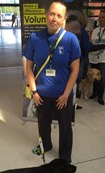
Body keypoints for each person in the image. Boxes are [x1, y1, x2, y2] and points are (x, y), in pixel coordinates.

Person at [24, 1, 81, 163]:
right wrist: (34, 91)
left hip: (62, 95)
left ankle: (65, 157)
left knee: (65, 127)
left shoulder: (70, 40)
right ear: (46, 14)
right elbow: (29, 67)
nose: (54, 18)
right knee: (43, 124)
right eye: (51, 14)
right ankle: (46, 145)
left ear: (64, 19)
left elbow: (75, 69)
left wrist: (65, 94)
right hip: (41, 94)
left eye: (59, 15)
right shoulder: (35, 38)